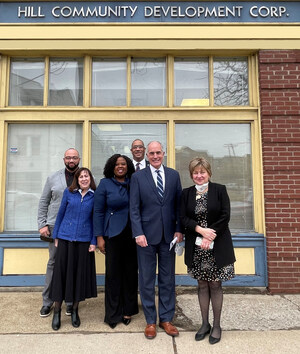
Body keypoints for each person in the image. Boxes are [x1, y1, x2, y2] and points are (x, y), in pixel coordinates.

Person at [130, 141, 183, 339]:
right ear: (146, 155)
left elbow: (179, 205)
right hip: (146, 237)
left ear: (164, 153)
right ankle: (150, 321)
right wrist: (138, 233)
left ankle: (166, 319)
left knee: (167, 279)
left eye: (158, 153)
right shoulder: (137, 177)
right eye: (151, 153)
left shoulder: (173, 175)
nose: (154, 156)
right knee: (146, 279)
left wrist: (179, 230)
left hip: (169, 236)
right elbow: (134, 208)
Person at [180, 157, 236, 345]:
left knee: (215, 285)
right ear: (191, 175)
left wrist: (209, 235)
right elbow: (183, 217)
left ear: (209, 173)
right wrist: (199, 230)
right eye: (195, 173)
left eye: (202, 172)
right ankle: (204, 324)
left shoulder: (220, 190)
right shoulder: (186, 193)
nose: (199, 175)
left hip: (217, 245)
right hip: (197, 248)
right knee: (202, 284)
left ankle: (217, 325)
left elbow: (225, 215)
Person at [94, 154, 138, 329]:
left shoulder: (134, 182)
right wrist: (99, 237)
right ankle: (113, 314)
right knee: (113, 275)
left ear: (128, 166)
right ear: (111, 167)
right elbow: (97, 211)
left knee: (130, 274)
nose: (121, 166)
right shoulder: (105, 184)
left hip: (133, 234)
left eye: (124, 164)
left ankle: (128, 310)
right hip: (113, 234)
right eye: (117, 164)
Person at [50, 167, 97, 331]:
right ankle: (57, 311)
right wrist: (56, 235)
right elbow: (60, 214)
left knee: (78, 276)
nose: (84, 179)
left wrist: (93, 241)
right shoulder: (69, 193)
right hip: (65, 239)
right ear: (76, 179)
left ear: (90, 179)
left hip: (84, 241)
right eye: (81, 176)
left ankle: (75, 310)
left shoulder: (94, 196)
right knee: (61, 276)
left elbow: (94, 221)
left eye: (86, 176)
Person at [37, 148, 80, 317]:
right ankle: (47, 302)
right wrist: (42, 225)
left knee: (72, 264)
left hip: (76, 228)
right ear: (64, 159)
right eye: (68, 157)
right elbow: (43, 202)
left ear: (79, 159)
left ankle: (69, 302)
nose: (71, 160)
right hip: (55, 227)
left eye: (74, 158)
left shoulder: (84, 177)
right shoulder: (53, 178)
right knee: (54, 264)